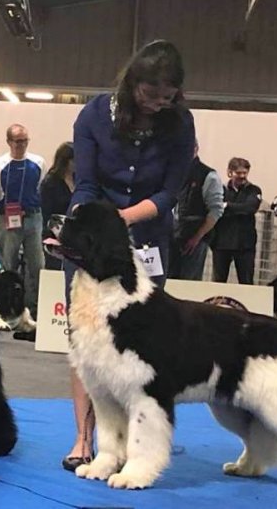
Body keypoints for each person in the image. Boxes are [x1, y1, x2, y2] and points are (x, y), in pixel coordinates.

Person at [62, 40, 195, 472]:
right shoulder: (94, 115)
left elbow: (170, 192)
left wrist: (123, 220)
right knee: (86, 345)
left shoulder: (181, 124)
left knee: (146, 347)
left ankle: (143, 441)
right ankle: (88, 440)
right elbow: (84, 181)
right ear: (131, 83)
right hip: (93, 242)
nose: (158, 103)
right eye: (149, 94)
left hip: (149, 239)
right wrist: (88, 224)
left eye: (167, 97)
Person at [0, 124, 46, 320]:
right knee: (8, 266)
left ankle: (36, 310)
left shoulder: (38, 162)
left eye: (24, 141)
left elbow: (40, 188)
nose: (21, 145)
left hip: (33, 218)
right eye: (17, 141)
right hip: (9, 221)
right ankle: (4, 309)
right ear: (9, 142)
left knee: (37, 266)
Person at [168, 141, 223, 281]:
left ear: (196, 149)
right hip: (171, 238)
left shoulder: (209, 176)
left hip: (195, 240)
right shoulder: (173, 173)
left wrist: (197, 237)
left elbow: (216, 211)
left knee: (189, 283)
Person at [210, 157, 262, 284]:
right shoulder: (220, 190)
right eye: (239, 173)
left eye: (245, 172)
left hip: (245, 246)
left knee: (246, 282)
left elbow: (250, 208)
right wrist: (235, 209)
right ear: (230, 172)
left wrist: (227, 206)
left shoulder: (254, 190)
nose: (243, 176)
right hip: (221, 244)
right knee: (218, 282)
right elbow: (215, 209)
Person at [41, 142, 74, 271]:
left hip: (74, 234)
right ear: (65, 161)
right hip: (54, 234)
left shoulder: (80, 180)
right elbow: (46, 213)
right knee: (54, 270)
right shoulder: (50, 182)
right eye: (74, 160)